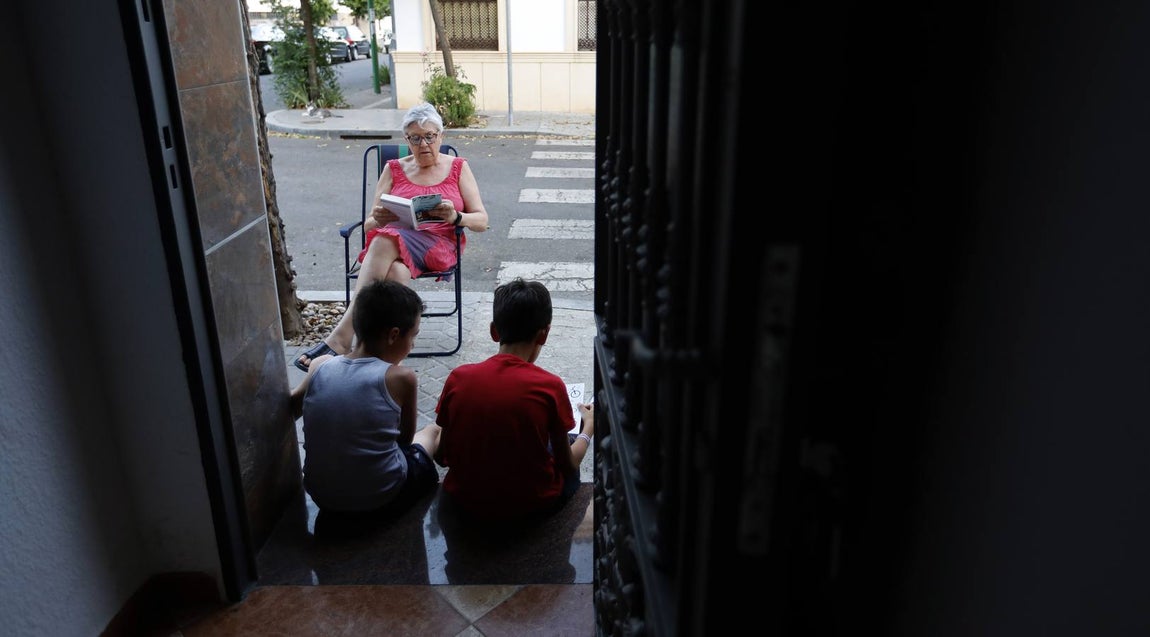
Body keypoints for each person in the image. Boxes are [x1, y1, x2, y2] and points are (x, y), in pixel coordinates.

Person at [295, 102, 490, 371]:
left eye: (430, 136)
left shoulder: (457, 167)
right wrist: (379, 218)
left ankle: (343, 338)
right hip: (396, 247)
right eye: (416, 138)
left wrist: (456, 217)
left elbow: (482, 220)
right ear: (406, 140)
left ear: (441, 136)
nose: (424, 144)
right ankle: (379, 358)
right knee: (396, 274)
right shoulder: (393, 169)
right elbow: (369, 224)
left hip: (439, 245)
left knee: (384, 239)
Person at [433, 278, 594, 522]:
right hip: (533, 506)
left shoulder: (458, 378)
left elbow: (442, 456)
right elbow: (569, 465)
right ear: (544, 334)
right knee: (570, 444)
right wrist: (589, 428)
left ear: (494, 331)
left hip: (465, 502)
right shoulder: (549, 386)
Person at [289, 280, 442, 527]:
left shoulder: (320, 366)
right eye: (413, 336)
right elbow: (403, 441)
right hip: (383, 499)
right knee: (432, 432)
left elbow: (293, 406)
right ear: (394, 335)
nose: (412, 345)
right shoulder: (402, 378)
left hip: (323, 498)